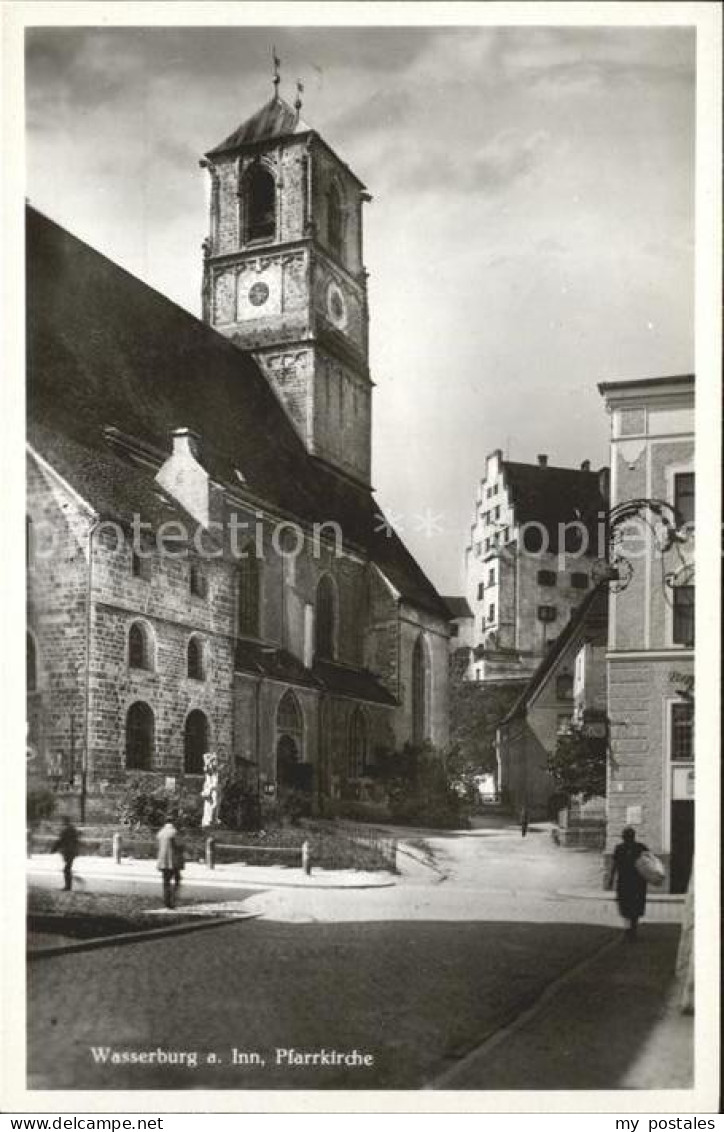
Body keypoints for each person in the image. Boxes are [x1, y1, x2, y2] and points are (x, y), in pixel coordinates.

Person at [608, 826, 648, 940]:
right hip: (637, 882)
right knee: (634, 905)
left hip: (626, 881)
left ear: (624, 837)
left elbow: (614, 866)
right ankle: (632, 929)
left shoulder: (619, 848)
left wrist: (610, 879)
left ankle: (628, 930)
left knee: (625, 905)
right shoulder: (641, 847)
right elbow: (649, 864)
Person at [156, 815, 179, 909]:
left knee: (166, 882)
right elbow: (179, 845)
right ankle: (172, 900)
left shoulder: (161, 832)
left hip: (162, 861)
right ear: (173, 822)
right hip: (173, 861)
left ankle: (166, 901)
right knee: (177, 880)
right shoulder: (174, 832)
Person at [51, 816, 80, 891]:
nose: (61, 823)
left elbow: (60, 841)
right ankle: (68, 884)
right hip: (72, 851)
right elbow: (76, 840)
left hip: (68, 851)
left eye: (62, 822)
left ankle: (68, 886)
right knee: (67, 868)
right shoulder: (73, 829)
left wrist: (53, 849)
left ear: (64, 822)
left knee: (66, 869)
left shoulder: (65, 830)